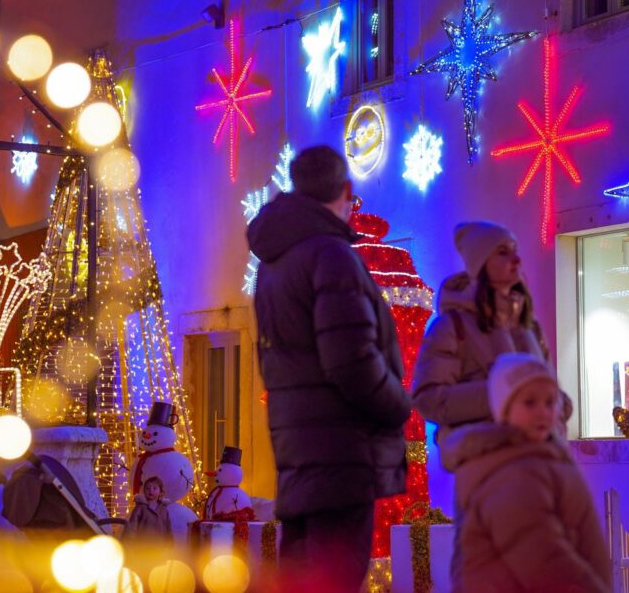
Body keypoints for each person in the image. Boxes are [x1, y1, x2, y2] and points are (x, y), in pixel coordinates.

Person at [247, 145, 411, 592]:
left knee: (304, 577)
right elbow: (351, 360)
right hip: (341, 450)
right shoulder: (331, 256)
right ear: (346, 191)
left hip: (301, 451)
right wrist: (399, 404)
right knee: (335, 575)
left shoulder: (275, 262)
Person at [411, 222, 569, 588]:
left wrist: (556, 407)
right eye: (502, 251)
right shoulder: (451, 326)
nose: (515, 259)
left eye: (515, 249)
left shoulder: (528, 326)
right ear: (480, 262)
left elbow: (548, 390)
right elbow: (429, 398)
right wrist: (502, 396)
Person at [442, 353, 610, 593]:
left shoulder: (541, 458)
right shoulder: (512, 472)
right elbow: (542, 558)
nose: (543, 412)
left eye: (550, 402)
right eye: (530, 403)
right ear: (505, 409)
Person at [122, 476, 173, 541]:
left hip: (159, 545)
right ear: (144, 491)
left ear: (160, 492)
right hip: (143, 544)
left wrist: (169, 541)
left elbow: (168, 526)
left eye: (154, 488)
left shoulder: (163, 509)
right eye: (147, 488)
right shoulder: (140, 507)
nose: (151, 490)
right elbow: (132, 525)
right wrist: (130, 540)